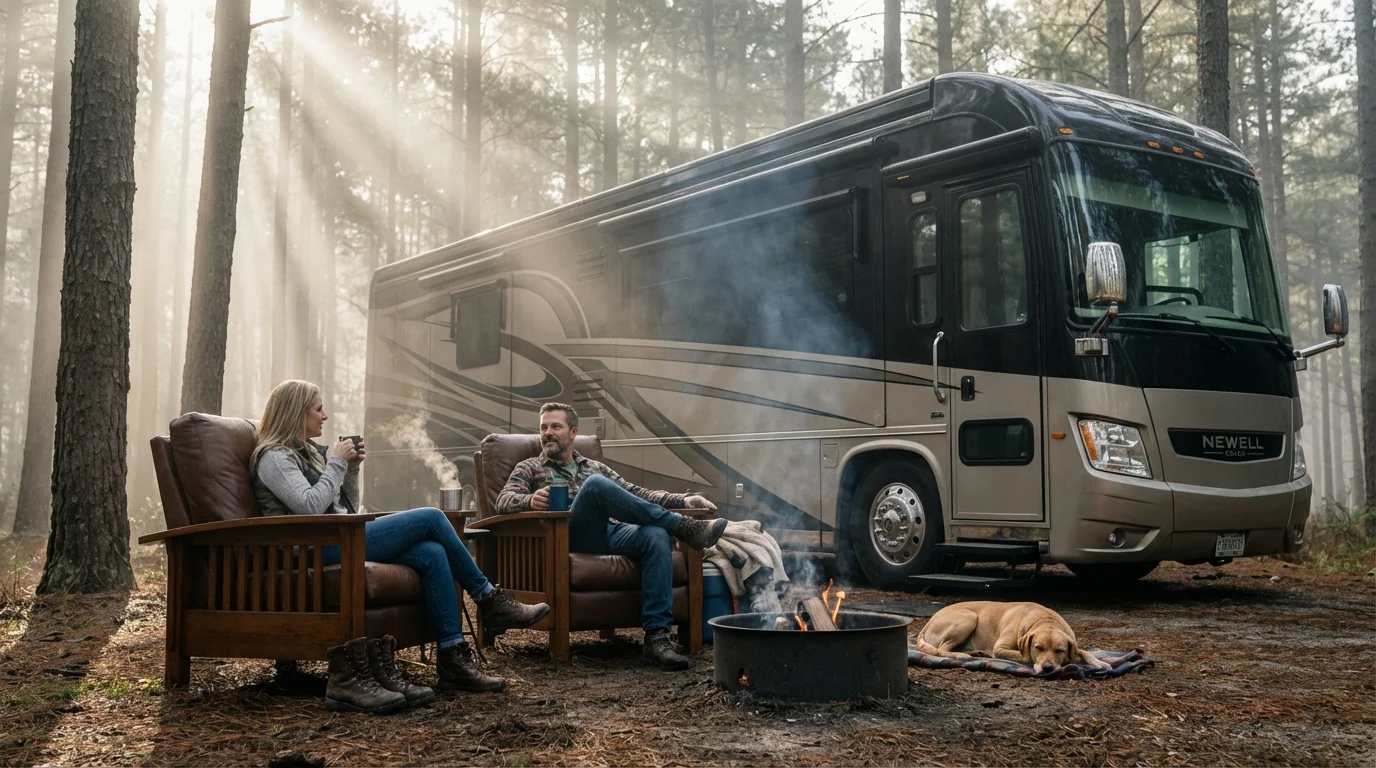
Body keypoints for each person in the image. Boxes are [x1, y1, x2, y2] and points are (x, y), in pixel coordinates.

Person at [251, 380, 550, 711]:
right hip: (311, 550)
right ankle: (489, 600)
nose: (325, 416)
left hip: (337, 539)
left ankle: (453, 660)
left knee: (431, 553)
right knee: (433, 519)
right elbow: (309, 506)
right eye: (318, 409)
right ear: (296, 412)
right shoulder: (274, 457)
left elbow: (343, 509)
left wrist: (349, 469)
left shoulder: (305, 452)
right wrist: (336, 463)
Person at [496, 402, 728, 670]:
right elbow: (503, 501)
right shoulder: (529, 467)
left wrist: (684, 499)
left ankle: (656, 638)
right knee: (595, 487)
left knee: (655, 533)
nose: (548, 432)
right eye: (543, 427)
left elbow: (636, 494)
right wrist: (528, 500)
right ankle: (685, 528)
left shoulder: (594, 466)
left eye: (555, 427)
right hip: (566, 538)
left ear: (572, 433)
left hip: (610, 532)